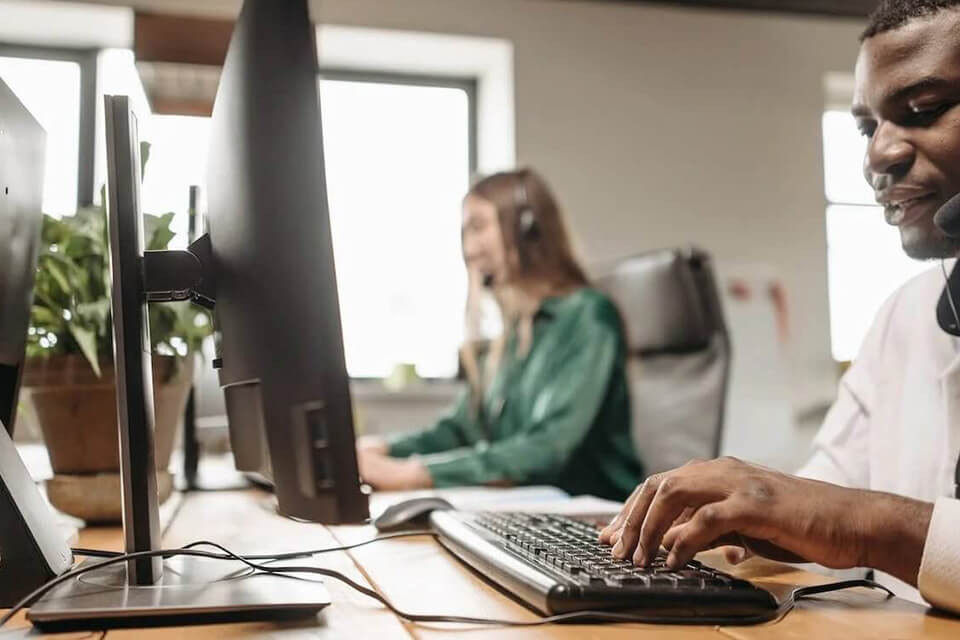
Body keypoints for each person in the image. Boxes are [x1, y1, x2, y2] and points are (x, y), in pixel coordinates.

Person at [599, 0, 960, 612]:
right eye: (867, 128)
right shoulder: (904, 313)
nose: (878, 156)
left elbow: (849, 515)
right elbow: (827, 488)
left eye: (922, 110)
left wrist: (867, 524)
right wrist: (749, 508)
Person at [356, 168, 643, 500]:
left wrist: (415, 474)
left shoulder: (588, 316)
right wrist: (381, 449)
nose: (469, 247)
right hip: (527, 509)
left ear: (527, 229)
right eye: (465, 232)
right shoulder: (510, 334)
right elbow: (460, 429)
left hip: (591, 519)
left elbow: (547, 448)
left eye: (478, 227)